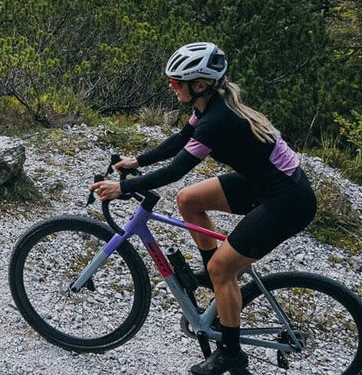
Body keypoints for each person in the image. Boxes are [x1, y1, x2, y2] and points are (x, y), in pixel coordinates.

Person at [88, 42, 317, 375]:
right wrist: (138, 159)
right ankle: (215, 281)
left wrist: (122, 187)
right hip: (264, 183)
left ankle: (231, 355)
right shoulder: (210, 104)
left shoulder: (219, 119)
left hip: (288, 200)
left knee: (224, 270)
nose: (172, 86)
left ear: (200, 84)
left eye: (177, 81)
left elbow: (175, 171)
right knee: (189, 200)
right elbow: (182, 139)